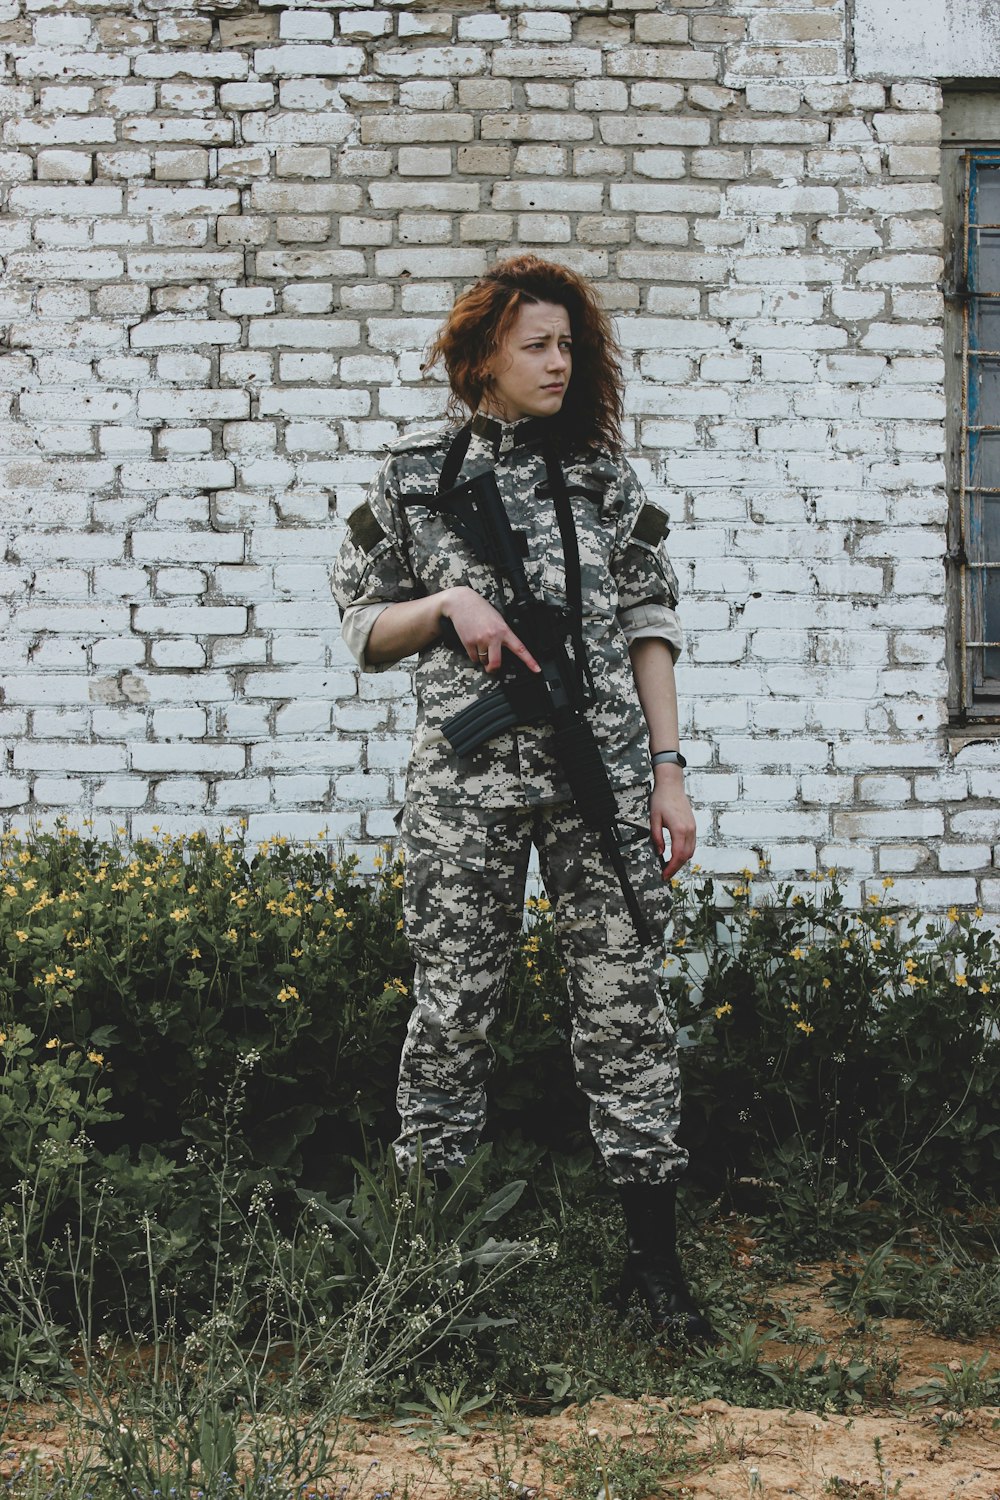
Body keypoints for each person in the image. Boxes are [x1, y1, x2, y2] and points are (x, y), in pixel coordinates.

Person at [332, 254, 712, 1343]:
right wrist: (450, 603)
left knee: (625, 1011)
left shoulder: (601, 476)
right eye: (537, 344)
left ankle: (654, 1272)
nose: (560, 361)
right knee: (452, 1014)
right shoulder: (412, 476)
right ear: (482, 356)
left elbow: (649, 627)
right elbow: (363, 628)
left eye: (569, 344)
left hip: (597, 783)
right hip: (466, 786)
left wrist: (668, 773)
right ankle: (422, 1274)